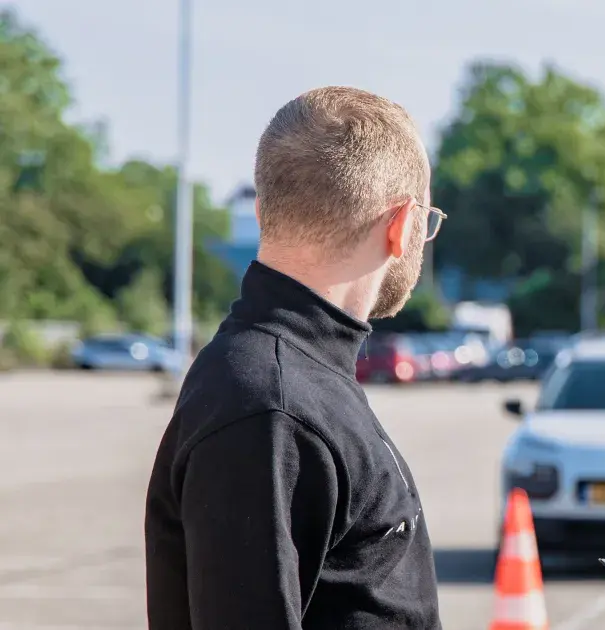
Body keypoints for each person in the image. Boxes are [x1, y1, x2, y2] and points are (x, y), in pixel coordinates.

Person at [144, 86, 444, 628]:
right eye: (430, 222)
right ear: (402, 226)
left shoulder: (296, 379)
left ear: (263, 213)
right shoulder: (271, 406)